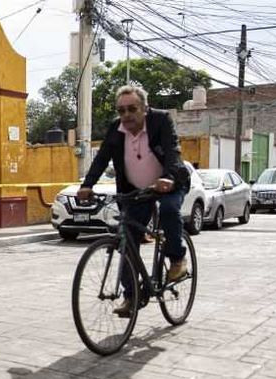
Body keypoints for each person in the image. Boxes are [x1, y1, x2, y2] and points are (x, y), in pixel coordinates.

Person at [77, 84, 191, 318]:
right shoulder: (115, 129)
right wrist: (87, 184)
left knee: (170, 210)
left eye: (132, 109)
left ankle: (177, 259)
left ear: (144, 108)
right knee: (127, 241)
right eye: (121, 110)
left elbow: (172, 151)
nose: (126, 115)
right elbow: (101, 159)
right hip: (136, 191)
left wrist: (168, 178)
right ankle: (132, 296)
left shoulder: (160, 121)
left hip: (169, 182)